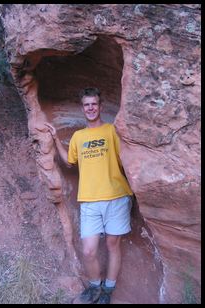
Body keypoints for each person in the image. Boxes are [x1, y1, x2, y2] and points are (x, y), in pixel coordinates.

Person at [45, 87, 133, 304]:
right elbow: (69, 161)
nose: (91, 108)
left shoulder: (112, 131)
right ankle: (95, 286)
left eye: (94, 104)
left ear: (100, 107)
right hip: (89, 200)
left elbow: (128, 157)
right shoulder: (78, 136)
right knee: (89, 250)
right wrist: (56, 139)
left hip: (116, 196)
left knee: (113, 244)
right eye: (87, 105)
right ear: (83, 108)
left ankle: (107, 291)